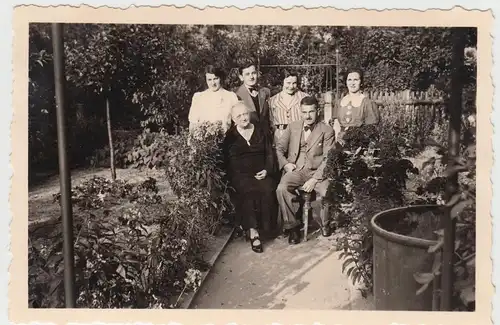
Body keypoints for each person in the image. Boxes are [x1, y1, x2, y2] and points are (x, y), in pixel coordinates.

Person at [275, 96, 335, 245]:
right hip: (297, 169)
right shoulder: (293, 126)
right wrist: (286, 164)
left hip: (318, 171)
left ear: (317, 111)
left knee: (325, 190)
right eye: (304, 112)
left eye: (311, 112)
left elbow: (329, 158)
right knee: (282, 188)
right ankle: (293, 226)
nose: (307, 116)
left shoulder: (327, 130)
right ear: (300, 112)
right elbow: (279, 148)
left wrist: (315, 179)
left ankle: (324, 223)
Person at [223, 101, 278, 253]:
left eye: (245, 114)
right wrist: (242, 175)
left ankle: (267, 228)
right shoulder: (230, 136)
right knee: (247, 191)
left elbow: (269, 153)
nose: (243, 118)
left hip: (262, 172)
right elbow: (228, 161)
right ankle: (253, 232)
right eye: (238, 116)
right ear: (233, 119)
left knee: (268, 188)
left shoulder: (260, 131)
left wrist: (267, 170)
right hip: (241, 175)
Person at [331, 68, 380, 146]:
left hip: (360, 143)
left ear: (361, 82)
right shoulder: (339, 102)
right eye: (349, 80)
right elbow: (336, 126)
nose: (352, 83)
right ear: (346, 82)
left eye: (356, 80)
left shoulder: (367, 103)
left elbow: (371, 130)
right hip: (340, 143)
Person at [188, 65, 239, 132]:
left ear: (221, 78)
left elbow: (238, 122)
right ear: (206, 80)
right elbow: (192, 125)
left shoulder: (231, 96)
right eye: (209, 80)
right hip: (204, 140)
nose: (213, 83)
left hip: (228, 139)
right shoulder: (198, 97)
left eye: (215, 79)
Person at [268, 70, 309, 142]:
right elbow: (271, 121)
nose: (291, 86)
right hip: (280, 136)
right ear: (282, 82)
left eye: (294, 83)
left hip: (299, 135)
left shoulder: (304, 97)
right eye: (288, 83)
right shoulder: (273, 100)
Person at [235, 61, 272, 135]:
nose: (251, 77)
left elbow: (270, 117)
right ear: (241, 77)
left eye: (253, 73)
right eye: (247, 74)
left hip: (265, 138)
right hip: (247, 137)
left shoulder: (266, 92)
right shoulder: (236, 96)